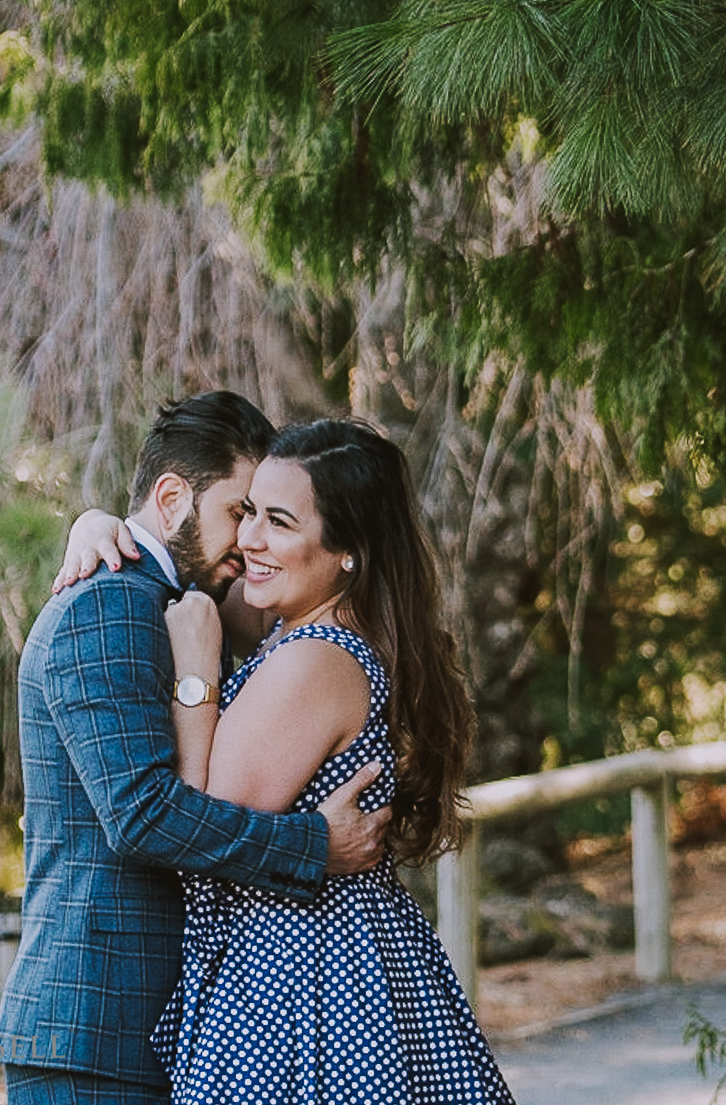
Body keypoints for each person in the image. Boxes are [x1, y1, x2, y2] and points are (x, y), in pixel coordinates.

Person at [66, 416, 514, 1103]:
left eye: (279, 521)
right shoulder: (307, 628)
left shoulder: (313, 659)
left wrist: (195, 676)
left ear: (346, 553)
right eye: (247, 513)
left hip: (299, 982)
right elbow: (183, 556)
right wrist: (97, 523)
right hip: (315, 961)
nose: (248, 541)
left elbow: (202, 823)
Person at [0, 393, 392, 1105]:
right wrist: (313, 848)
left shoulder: (183, 600)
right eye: (240, 512)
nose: (249, 539)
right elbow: (142, 815)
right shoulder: (107, 600)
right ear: (173, 495)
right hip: (97, 1029)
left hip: (158, 1029)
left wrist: (93, 518)